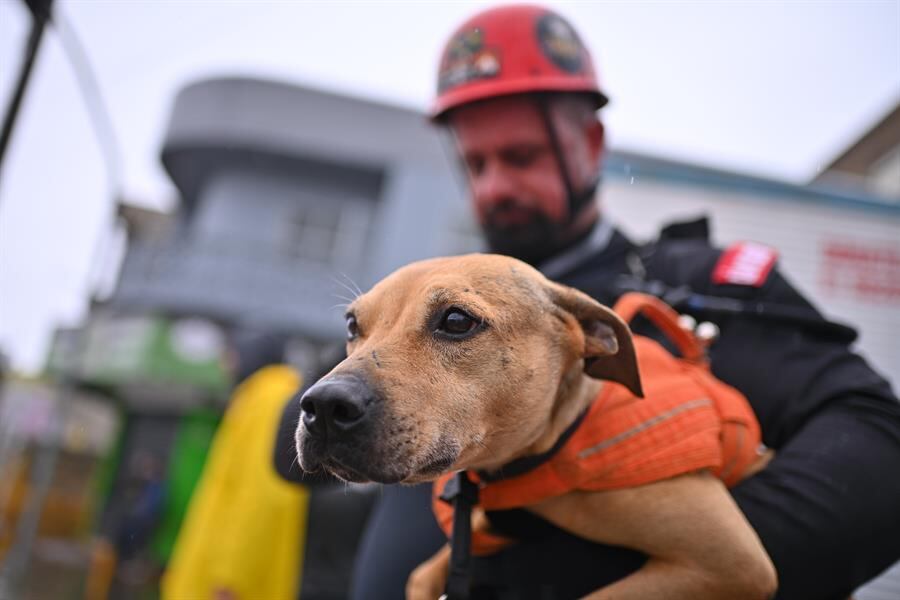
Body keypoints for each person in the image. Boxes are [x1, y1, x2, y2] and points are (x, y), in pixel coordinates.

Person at [341, 5, 900, 600]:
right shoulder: (404, 301)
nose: (495, 185)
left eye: (522, 156)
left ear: (590, 142)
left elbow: (882, 450)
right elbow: (290, 451)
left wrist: (596, 572)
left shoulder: (699, 288)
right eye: (477, 163)